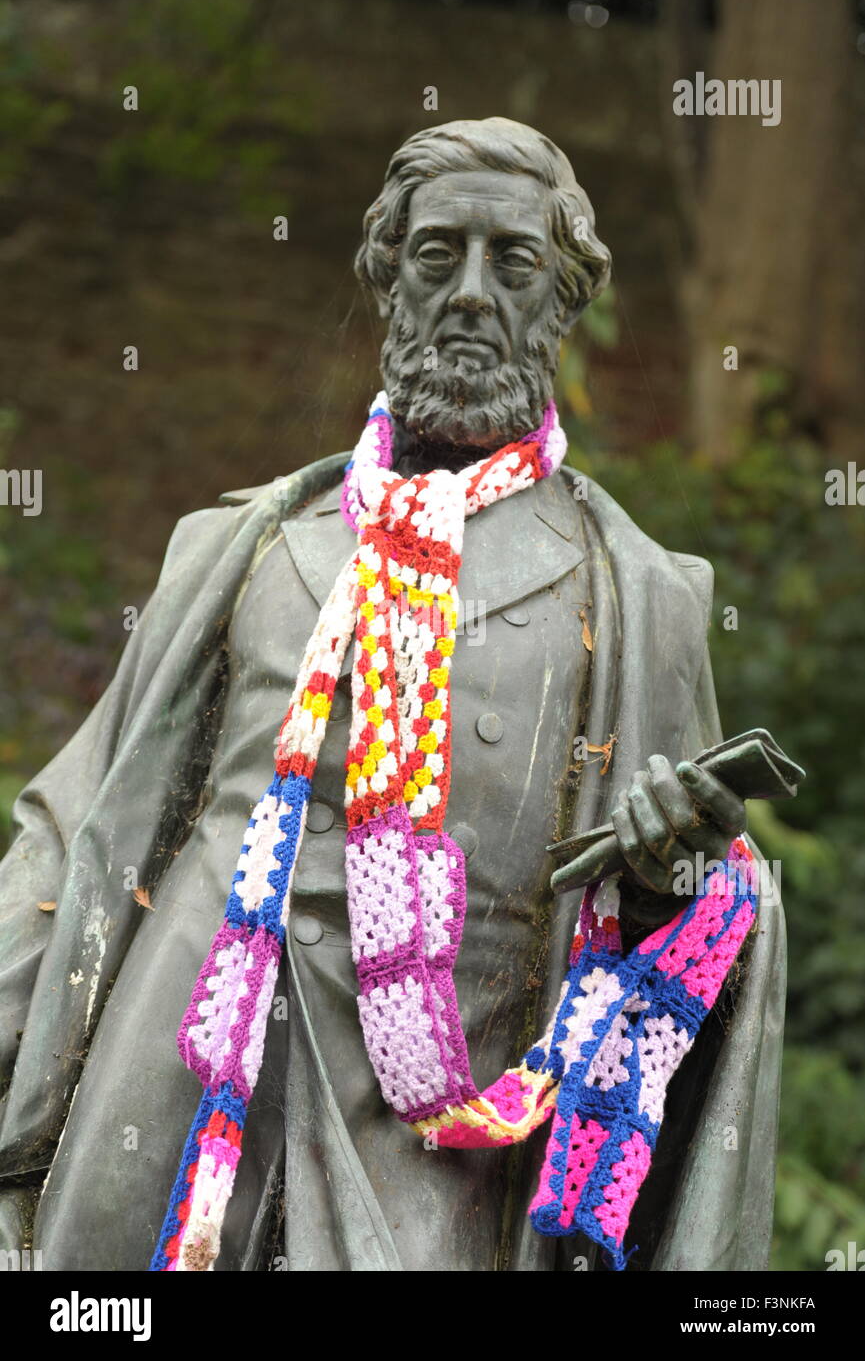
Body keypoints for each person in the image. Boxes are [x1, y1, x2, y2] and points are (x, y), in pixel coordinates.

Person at [0, 118, 784, 1272]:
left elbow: (694, 925)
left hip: (438, 1144)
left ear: (560, 303)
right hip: (170, 1088)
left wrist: (670, 873)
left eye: (511, 263)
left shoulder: (642, 600)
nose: (469, 294)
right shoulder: (247, 547)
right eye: (435, 256)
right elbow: (74, 834)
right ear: (388, 284)